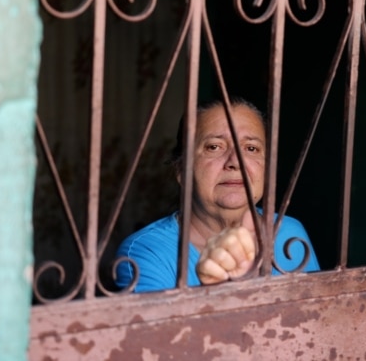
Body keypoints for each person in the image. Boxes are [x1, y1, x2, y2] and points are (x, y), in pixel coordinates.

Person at [115, 98, 319, 292]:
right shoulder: (146, 253)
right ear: (181, 170)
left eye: (251, 148)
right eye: (214, 147)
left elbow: (319, 322)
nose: (235, 161)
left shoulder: (288, 232)